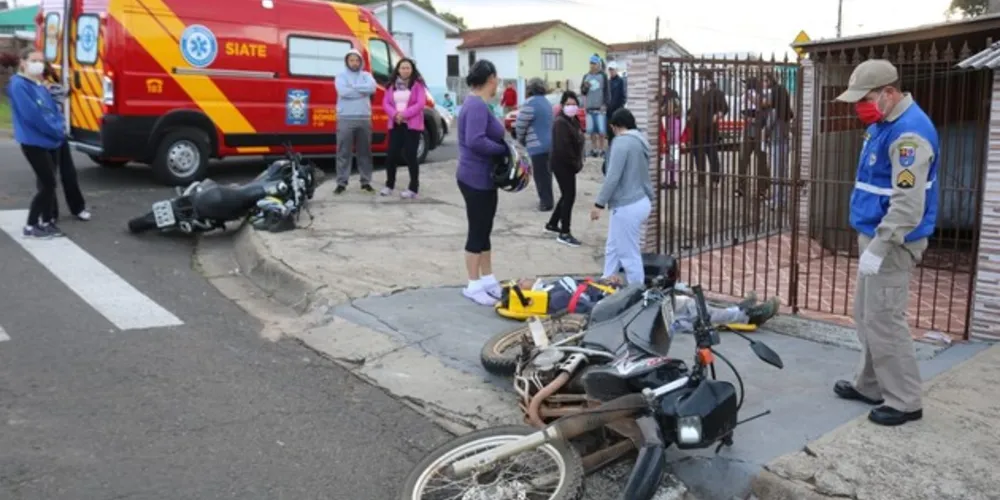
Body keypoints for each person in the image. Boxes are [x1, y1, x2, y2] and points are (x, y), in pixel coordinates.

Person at [831, 59, 939, 427]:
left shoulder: (909, 135)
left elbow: (908, 204)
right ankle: (871, 385)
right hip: (876, 235)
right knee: (867, 316)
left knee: (886, 321)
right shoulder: (884, 124)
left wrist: (880, 245)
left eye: (866, 98)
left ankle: (905, 400)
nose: (860, 106)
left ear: (889, 93)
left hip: (892, 242)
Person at [456, 59, 508, 306]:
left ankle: (487, 278)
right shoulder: (476, 105)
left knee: (485, 230)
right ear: (490, 79)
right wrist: (501, 150)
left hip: (482, 178)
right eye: (496, 78)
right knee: (477, 231)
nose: (497, 82)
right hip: (474, 177)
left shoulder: (479, 103)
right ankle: (473, 283)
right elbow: (475, 140)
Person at [7, 49, 68, 238]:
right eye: (34, 60)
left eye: (41, 61)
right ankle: (31, 225)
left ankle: (47, 221)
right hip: (34, 142)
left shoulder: (38, 84)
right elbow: (33, 115)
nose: (39, 64)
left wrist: (59, 126)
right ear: (23, 62)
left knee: (47, 183)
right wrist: (56, 129)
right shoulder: (19, 85)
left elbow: (53, 109)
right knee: (48, 183)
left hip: (51, 141)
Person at [590, 108, 655, 285]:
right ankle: (606, 281)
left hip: (627, 204)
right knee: (613, 246)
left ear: (615, 126)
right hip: (641, 200)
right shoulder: (640, 140)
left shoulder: (621, 143)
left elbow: (613, 177)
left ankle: (638, 293)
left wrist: (599, 204)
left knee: (628, 253)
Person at [41, 62, 89, 223]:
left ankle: (78, 208)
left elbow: (62, 94)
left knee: (68, 174)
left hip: (58, 136)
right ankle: (51, 213)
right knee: (47, 177)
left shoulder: (52, 88)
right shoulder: (29, 88)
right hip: (42, 139)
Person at [380, 57, 427, 199]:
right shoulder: (391, 85)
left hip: (412, 125)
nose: (405, 70)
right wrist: (395, 115)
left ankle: (413, 188)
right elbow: (385, 103)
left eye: (408, 67)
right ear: (398, 69)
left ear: (412, 70)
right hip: (395, 124)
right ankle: (389, 185)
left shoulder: (418, 85)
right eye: (402, 67)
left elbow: (420, 104)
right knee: (391, 155)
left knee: (410, 155)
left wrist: (404, 114)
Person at [334, 48, 377, 194]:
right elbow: (343, 92)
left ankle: (366, 182)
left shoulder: (366, 75)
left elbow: (372, 88)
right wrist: (361, 91)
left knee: (365, 152)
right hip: (345, 118)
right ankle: (341, 183)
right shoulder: (340, 76)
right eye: (351, 60)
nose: (354, 63)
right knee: (343, 152)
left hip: (364, 118)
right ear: (347, 61)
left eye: (357, 60)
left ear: (361, 61)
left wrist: (354, 87)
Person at [546, 90, 585, 247]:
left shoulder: (573, 120)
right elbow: (564, 149)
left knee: (566, 194)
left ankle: (553, 223)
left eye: (574, 104)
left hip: (570, 164)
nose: (571, 107)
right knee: (569, 196)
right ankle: (565, 232)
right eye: (568, 104)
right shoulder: (560, 123)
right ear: (562, 106)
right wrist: (575, 164)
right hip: (563, 164)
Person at [514, 78, 554, 211]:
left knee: (540, 176)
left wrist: (520, 139)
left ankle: (546, 202)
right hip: (549, 144)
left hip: (537, 145)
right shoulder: (547, 103)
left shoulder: (530, 104)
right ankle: (548, 199)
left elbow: (520, 125)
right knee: (547, 175)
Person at [686, 70, 728, 186]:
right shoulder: (695, 93)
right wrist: (689, 115)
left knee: (712, 153)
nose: (702, 82)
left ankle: (715, 179)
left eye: (704, 79)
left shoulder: (717, 93)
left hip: (710, 128)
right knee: (698, 154)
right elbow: (692, 108)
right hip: (696, 129)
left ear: (710, 80)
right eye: (700, 79)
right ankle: (701, 179)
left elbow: (724, 108)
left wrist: (718, 115)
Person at [761, 72, 794, 208]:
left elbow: (768, 127)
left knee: (776, 173)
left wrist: (764, 136)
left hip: (776, 142)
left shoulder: (775, 112)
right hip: (784, 142)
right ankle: (782, 198)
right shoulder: (786, 113)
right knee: (783, 171)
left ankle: (777, 201)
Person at [735, 77, 770, 200]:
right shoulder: (744, 96)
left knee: (761, 161)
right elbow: (739, 109)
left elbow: (766, 111)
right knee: (743, 160)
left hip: (760, 131)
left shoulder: (763, 95)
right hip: (747, 129)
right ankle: (741, 187)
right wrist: (745, 118)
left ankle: (763, 189)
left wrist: (754, 101)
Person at [580, 54, 610, 158]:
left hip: (600, 107)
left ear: (598, 64)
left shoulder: (603, 76)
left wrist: (605, 104)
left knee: (601, 131)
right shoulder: (586, 76)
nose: (592, 65)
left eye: (594, 63)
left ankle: (602, 149)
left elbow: (607, 91)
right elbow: (582, 92)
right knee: (591, 130)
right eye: (591, 63)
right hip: (589, 107)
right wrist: (585, 87)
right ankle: (594, 149)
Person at [606, 61, 627, 145]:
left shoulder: (620, 81)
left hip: (617, 110)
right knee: (610, 130)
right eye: (610, 70)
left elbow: (623, 95)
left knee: (618, 129)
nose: (611, 71)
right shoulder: (608, 81)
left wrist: (621, 107)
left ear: (616, 70)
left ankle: (618, 145)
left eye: (613, 70)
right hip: (609, 111)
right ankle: (610, 146)